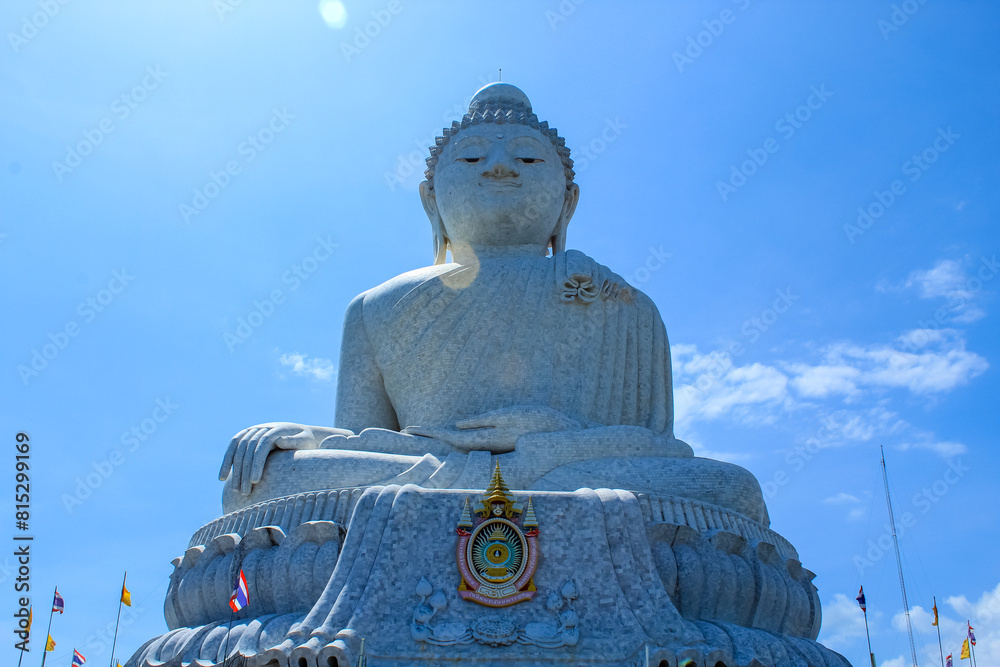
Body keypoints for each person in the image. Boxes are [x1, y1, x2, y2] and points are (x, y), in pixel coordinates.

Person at [218, 84, 765, 524]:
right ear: (431, 198)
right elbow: (366, 441)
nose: (500, 167)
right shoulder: (375, 307)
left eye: (527, 157)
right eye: (474, 156)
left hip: (565, 467)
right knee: (263, 480)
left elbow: (652, 447)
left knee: (733, 490)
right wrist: (310, 439)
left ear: (566, 200)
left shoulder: (622, 303)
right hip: (430, 464)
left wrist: (548, 443)